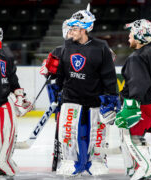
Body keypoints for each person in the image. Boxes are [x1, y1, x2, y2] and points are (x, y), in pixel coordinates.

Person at [48, 8, 120, 176]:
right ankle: (69, 160)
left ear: (84, 29)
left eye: (74, 28)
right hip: (71, 97)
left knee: (97, 132)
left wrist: (110, 100)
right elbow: (61, 74)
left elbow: (109, 76)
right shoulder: (66, 46)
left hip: (94, 99)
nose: (70, 31)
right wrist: (56, 90)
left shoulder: (101, 47)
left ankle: (96, 160)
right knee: (67, 130)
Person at [115, 19, 151, 180]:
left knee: (132, 139)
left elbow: (139, 83)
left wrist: (130, 106)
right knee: (137, 138)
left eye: (131, 33)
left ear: (139, 36)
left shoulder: (137, 57)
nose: (128, 36)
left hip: (141, 106)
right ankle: (137, 168)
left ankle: (145, 170)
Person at [0, 22, 31, 177]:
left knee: (9, 134)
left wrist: (20, 96)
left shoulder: (4, 52)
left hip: (4, 102)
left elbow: (11, 77)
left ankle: (2, 161)